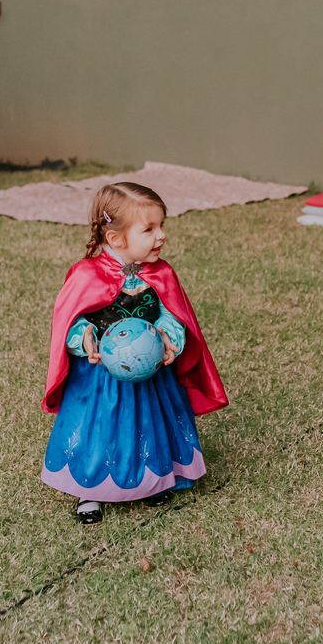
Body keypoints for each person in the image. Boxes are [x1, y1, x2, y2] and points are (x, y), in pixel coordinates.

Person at [41, 183, 228, 524]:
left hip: (151, 374)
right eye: (149, 229)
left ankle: (153, 480)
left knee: (148, 422)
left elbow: (174, 316)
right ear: (116, 239)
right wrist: (84, 339)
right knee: (100, 429)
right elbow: (69, 321)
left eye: (162, 225)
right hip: (100, 380)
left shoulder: (162, 273)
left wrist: (170, 339)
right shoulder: (86, 275)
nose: (161, 236)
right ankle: (90, 490)